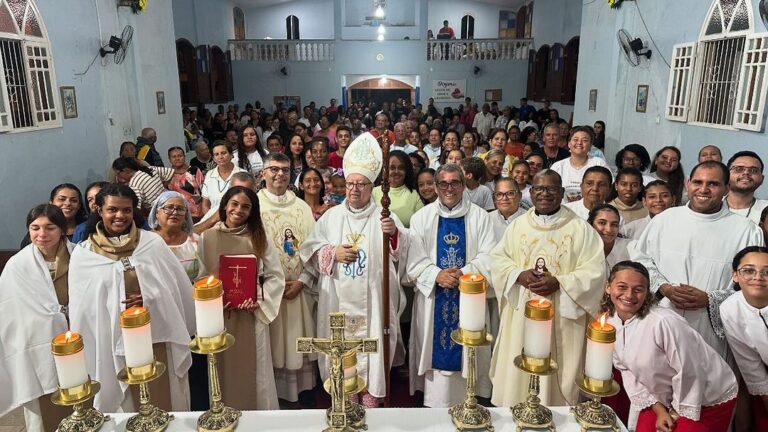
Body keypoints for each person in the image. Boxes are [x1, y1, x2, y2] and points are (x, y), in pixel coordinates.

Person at [300, 133, 406, 408]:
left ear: (372, 187)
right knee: (341, 343)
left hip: (373, 299)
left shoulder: (383, 217)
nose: (354, 189)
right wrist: (331, 253)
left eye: (361, 184)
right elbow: (309, 250)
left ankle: (371, 392)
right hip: (337, 297)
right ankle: (345, 393)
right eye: (350, 184)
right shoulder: (332, 216)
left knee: (372, 344)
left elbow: (401, 251)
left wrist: (392, 234)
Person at [68, 184, 195, 413]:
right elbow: (83, 308)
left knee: (164, 402)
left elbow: (175, 290)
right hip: (110, 340)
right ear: (99, 209)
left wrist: (148, 299)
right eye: (112, 210)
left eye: (126, 210)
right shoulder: (84, 253)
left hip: (156, 335)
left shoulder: (151, 243)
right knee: (125, 408)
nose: (120, 216)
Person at [489, 170, 606, 407]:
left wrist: (559, 282)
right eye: (539, 189)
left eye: (551, 189)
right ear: (530, 193)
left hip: (561, 317)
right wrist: (518, 275)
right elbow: (498, 260)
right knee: (517, 382)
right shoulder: (518, 226)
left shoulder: (581, 230)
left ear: (562, 193)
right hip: (523, 314)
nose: (545, 194)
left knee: (556, 385)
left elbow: (595, 273)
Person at [630, 161, 763, 356]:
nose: (704, 189)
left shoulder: (747, 231)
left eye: (713, 184)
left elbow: (753, 286)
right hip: (661, 317)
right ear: (687, 183)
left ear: (727, 188)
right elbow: (641, 261)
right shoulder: (664, 219)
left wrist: (709, 299)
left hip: (710, 330)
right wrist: (664, 287)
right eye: (698, 182)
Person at [603, 261, 738, 432]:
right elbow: (627, 371)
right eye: (622, 287)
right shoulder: (611, 322)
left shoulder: (663, 322)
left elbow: (690, 371)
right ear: (608, 287)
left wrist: (674, 413)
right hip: (661, 396)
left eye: (638, 290)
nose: (629, 295)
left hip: (706, 397)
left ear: (646, 293)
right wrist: (659, 410)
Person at [406, 164, 495, 407]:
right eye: (443, 183)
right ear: (435, 187)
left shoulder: (481, 217)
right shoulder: (421, 218)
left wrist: (463, 274)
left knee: (469, 354)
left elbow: (489, 257)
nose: (449, 188)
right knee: (435, 355)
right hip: (434, 297)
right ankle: (433, 404)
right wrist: (436, 275)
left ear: (464, 185)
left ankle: (470, 402)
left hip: (470, 299)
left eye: (455, 183)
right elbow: (414, 259)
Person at [198, 186, 285, 410]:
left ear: (252, 212)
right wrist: (211, 299)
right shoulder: (207, 238)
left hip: (250, 315)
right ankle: (222, 413)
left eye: (246, 207)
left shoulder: (258, 237)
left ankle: (259, 420)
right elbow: (200, 277)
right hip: (218, 317)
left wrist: (257, 299)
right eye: (235, 204)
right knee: (222, 370)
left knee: (256, 372)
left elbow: (276, 276)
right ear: (225, 205)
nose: (239, 210)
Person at [0, 205, 74, 431]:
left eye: (50, 227)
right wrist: (50, 320)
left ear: (62, 229)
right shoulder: (17, 266)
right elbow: (10, 310)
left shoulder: (81, 257)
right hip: (37, 344)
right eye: (35, 228)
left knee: (80, 399)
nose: (42, 234)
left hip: (78, 340)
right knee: (44, 413)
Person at [255, 153, 317, 406]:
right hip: (269, 291)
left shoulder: (302, 207)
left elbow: (315, 248)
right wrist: (268, 284)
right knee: (275, 343)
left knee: (297, 338)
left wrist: (303, 280)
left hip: (298, 288)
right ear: (263, 173)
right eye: (274, 169)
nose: (280, 174)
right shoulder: (254, 206)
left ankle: (303, 392)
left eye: (284, 169)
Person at [147, 191, 208, 411]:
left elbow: (205, 275)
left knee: (196, 366)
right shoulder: (147, 242)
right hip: (161, 313)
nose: (174, 212)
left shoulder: (195, 241)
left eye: (180, 208)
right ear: (157, 212)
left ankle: (198, 409)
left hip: (193, 312)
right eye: (168, 208)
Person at [720, 246, 768, 431]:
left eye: (767, 271)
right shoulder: (730, 309)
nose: (758, 277)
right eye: (749, 271)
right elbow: (750, 366)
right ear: (735, 276)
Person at [197, 141, 246, 232]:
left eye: (224, 153)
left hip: (236, 223)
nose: (220, 157)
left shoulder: (242, 175)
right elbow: (205, 204)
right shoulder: (209, 175)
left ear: (231, 155)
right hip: (212, 224)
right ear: (213, 158)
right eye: (216, 154)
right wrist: (213, 221)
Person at [550, 126, 608, 198]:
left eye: (584, 140)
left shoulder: (599, 163)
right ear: (569, 144)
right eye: (575, 139)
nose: (579, 143)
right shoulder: (558, 166)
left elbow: (608, 188)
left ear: (590, 145)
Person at [373, 150, 424, 228]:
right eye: (392, 168)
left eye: (401, 168)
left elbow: (421, 226)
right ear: (385, 170)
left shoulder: (414, 195)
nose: (396, 171)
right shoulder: (374, 192)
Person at [725, 150, 768, 224]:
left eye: (753, 170)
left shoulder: (766, 208)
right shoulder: (711, 205)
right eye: (738, 169)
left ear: (762, 179)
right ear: (726, 175)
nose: (746, 173)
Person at [168, 146, 205, 221]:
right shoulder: (167, 174)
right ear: (169, 159)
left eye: (180, 156)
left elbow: (204, 191)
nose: (177, 158)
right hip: (176, 213)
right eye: (174, 156)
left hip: (196, 213)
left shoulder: (194, 170)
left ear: (184, 157)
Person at [589, 204, 630, 272]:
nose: (609, 229)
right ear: (591, 224)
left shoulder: (631, 246)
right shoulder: (582, 248)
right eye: (602, 223)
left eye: (614, 224)